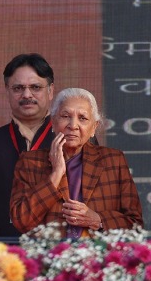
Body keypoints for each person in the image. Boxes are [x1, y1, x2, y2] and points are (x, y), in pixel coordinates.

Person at [10, 88, 143, 236]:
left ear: (94, 127)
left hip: (98, 254)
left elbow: (135, 224)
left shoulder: (113, 161)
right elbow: (21, 221)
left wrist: (97, 220)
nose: (73, 125)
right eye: (65, 116)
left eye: (83, 118)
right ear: (53, 123)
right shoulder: (30, 162)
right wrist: (55, 174)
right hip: (49, 255)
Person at [0, 53, 57, 238]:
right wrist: (1, 253)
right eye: (18, 88)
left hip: (64, 254)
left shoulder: (73, 140)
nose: (27, 95)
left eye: (36, 87)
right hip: (6, 257)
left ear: (51, 91)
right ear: (7, 91)